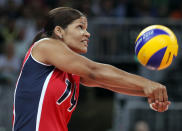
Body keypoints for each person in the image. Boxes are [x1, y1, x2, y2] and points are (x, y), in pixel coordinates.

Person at [12, 7, 170, 131]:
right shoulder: (45, 45)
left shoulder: (71, 70)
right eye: (80, 27)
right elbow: (94, 70)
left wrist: (150, 92)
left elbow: (107, 82)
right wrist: (146, 84)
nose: (87, 34)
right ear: (59, 31)